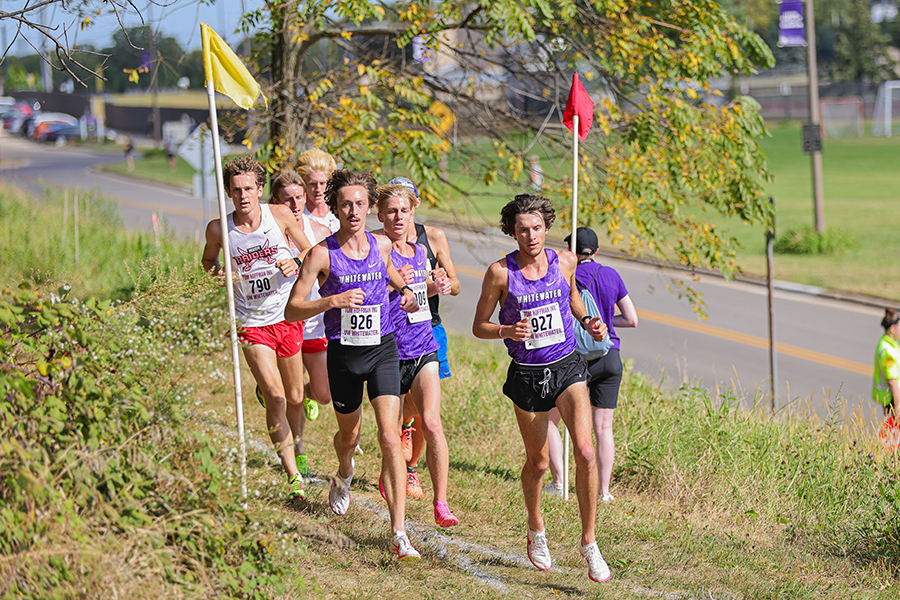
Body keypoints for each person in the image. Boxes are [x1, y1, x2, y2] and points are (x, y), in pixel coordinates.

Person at [471, 194, 612, 583]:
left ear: (546, 228)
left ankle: (589, 542)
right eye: (522, 230)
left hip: (567, 365)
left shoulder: (564, 261)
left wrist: (589, 322)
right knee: (538, 462)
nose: (530, 235)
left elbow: (571, 300)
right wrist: (504, 329)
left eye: (536, 228)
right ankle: (536, 527)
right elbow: (478, 325)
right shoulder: (500, 273)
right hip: (528, 373)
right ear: (512, 232)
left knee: (585, 451)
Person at [284, 169, 422, 560]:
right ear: (336, 207)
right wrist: (332, 301)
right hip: (344, 355)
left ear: (368, 206)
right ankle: (344, 471)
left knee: (391, 437)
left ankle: (399, 532)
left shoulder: (380, 246)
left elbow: (393, 276)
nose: (354, 210)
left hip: (382, 348)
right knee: (349, 437)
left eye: (360, 203)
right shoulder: (322, 254)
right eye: (346, 204)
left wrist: (407, 292)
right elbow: (292, 308)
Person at [200, 156, 313, 499]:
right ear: (228, 193)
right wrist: (220, 274)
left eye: (248, 188)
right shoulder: (219, 228)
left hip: (285, 316)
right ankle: (292, 472)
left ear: (259, 189)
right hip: (251, 323)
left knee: (295, 396)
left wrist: (293, 261)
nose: (243, 196)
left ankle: (298, 444)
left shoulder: (278, 215)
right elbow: (207, 262)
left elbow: (311, 251)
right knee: (277, 397)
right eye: (236, 190)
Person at [373, 182, 459, 527]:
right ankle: (388, 475)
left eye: (404, 210)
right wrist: (397, 283)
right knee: (391, 432)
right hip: (389, 345)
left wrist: (435, 283)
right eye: (392, 211)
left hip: (423, 341)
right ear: (380, 215)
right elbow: (365, 287)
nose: (399, 217)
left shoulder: (421, 250)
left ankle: (442, 502)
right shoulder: (374, 246)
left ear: (414, 211)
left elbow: (441, 286)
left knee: (432, 421)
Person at [544, 227, 639, 503]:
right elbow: (632, 319)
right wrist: (606, 323)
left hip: (574, 358)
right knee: (603, 428)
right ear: (596, 251)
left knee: (551, 419)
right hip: (609, 355)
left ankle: (560, 482)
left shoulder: (563, 272)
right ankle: (604, 491)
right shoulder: (611, 275)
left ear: (570, 251)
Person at [268, 169, 334, 476]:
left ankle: (299, 398)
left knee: (322, 394)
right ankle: (298, 445)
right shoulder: (268, 229)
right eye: (288, 199)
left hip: (314, 322)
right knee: (289, 397)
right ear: (276, 201)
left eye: (299, 197)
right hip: (279, 322)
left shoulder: (318, 230)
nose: (295, 204)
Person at [873, 308, 900, 416]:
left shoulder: (889, 343)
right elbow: (891, 380)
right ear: (893, 328)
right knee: (892, 430)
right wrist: (898, 405)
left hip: (892, 397)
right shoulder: (887, 351)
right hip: (891, 399)